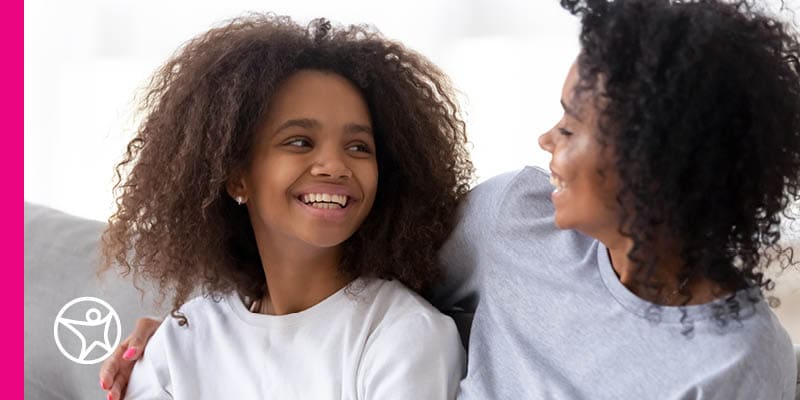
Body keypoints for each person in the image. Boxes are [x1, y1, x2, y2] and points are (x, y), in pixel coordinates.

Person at [102, 0, 800, 398]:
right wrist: (192, 332)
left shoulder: (740, 363)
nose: (545, 140)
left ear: (656, 162)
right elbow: (335, 256)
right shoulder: (513, 222)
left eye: (571, 125)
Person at [98, 14, 472, 400]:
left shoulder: (402, 335)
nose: (335, 166)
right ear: (237, 176)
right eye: (299, 141)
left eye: (359, 147)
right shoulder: (181, 342)